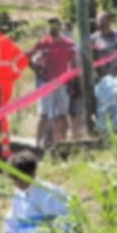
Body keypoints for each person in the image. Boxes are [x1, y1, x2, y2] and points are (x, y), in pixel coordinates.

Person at [26, 20, 76, 150]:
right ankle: (37, 145)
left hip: (62, 83)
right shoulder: (43, 44)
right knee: (44, 114)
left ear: (60, 28)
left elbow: (73, 64)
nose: (53, 29)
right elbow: (26, 56)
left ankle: (62, 145)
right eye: (50, 27)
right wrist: (36, 69)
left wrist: (71, 83)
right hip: (46, 83)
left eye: (55, 27)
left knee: (62, 115)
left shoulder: (68, 45)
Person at [91, 12, 117, 79]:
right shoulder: (93, 39)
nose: (101, 25)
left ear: (109, 21)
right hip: (104, 78)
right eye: (99, 23)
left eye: (103, 22)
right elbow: (90, 60)